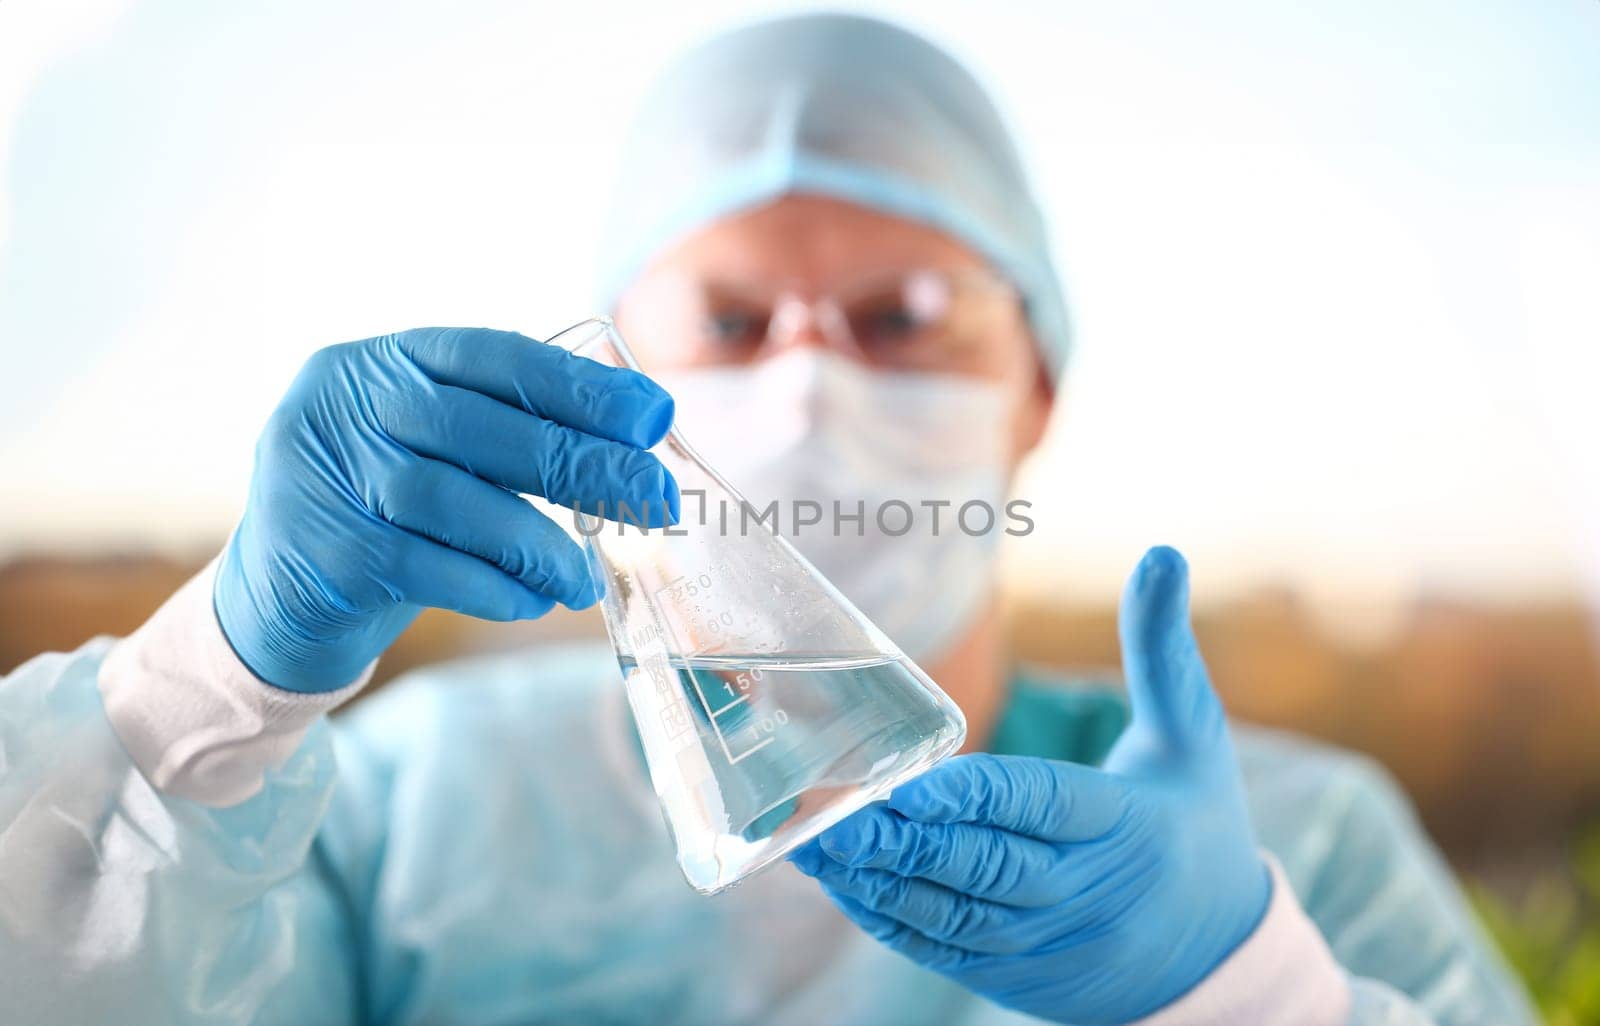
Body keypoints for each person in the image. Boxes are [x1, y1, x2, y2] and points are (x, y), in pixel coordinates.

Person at [0, 14, 1536, 1026]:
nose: (809, 382)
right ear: (607, 372)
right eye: (730, 321)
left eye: (906, 313)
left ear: (1039, 383)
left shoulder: (1290, 848)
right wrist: (201, 697)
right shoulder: (401, 821)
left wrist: (1251, 987)